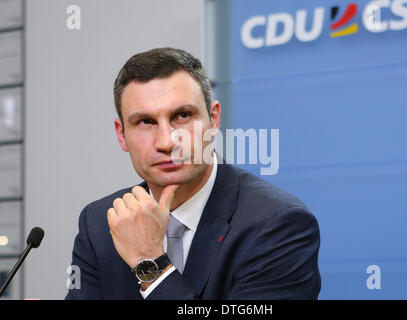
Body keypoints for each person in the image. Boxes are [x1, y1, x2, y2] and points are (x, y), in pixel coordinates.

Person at [65, 48, 321, 300]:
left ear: (214, 119)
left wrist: (150, 263)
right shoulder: (100, 222)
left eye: (182, 115)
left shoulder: (277, 224)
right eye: (145, 122)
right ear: (121, 134)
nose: (166, 142)